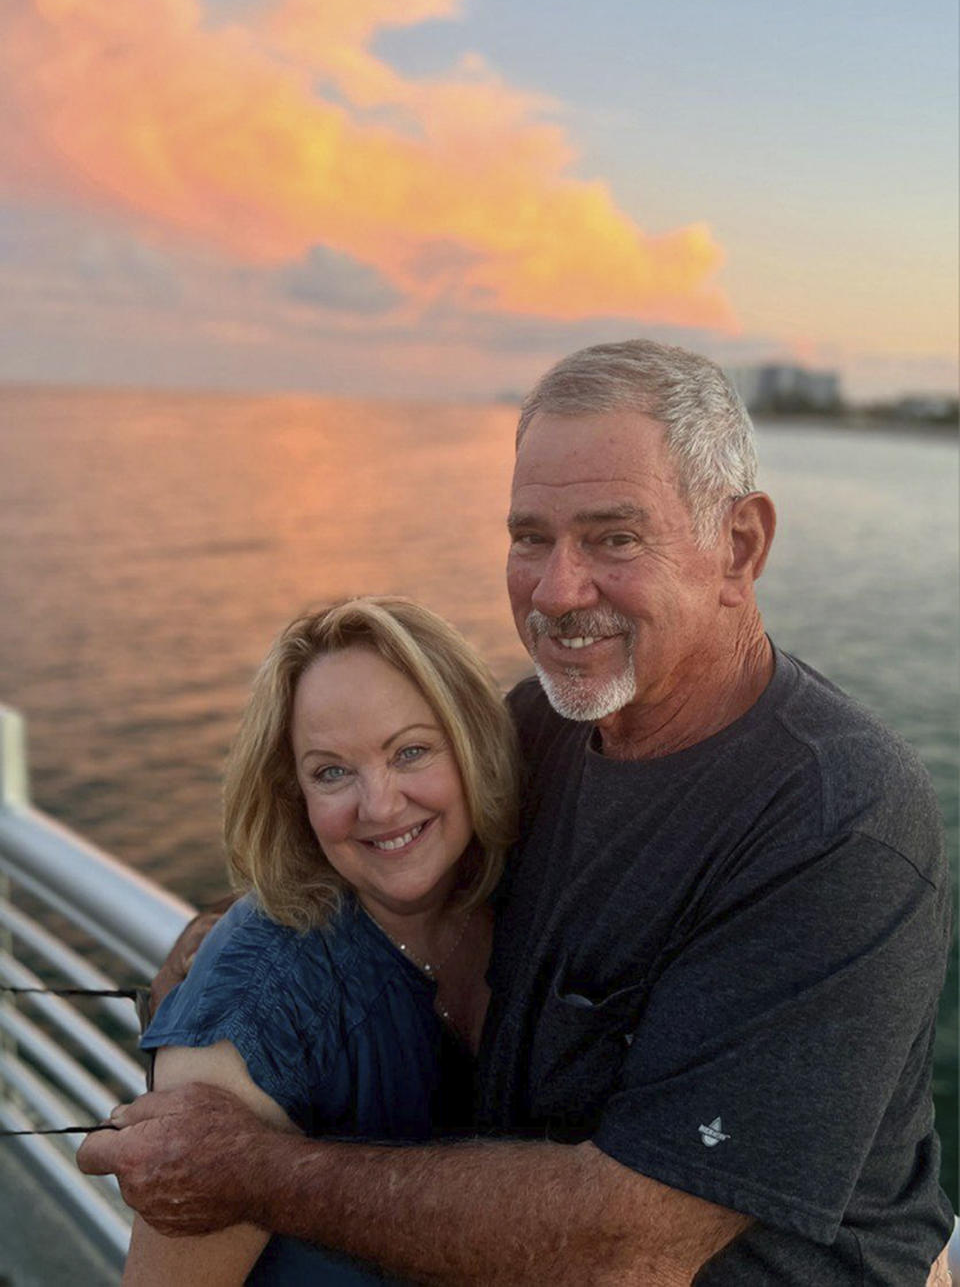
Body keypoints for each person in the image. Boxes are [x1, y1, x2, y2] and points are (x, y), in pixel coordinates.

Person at [81, 340, 954, 1285]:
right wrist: (234, 939)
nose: (555, 590)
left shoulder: (835, 822)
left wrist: (248, 1170)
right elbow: (416, 859)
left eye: (614, 538)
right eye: (530, 535)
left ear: (738, 547)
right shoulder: (544, 723)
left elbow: (631, 1242)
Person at [121, 596, 517, 1284]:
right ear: (294, 795)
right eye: (332, 771)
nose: (381, 804)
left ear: (473, 742)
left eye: (412, 750)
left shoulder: (520, 891)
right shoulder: (252, 1016)